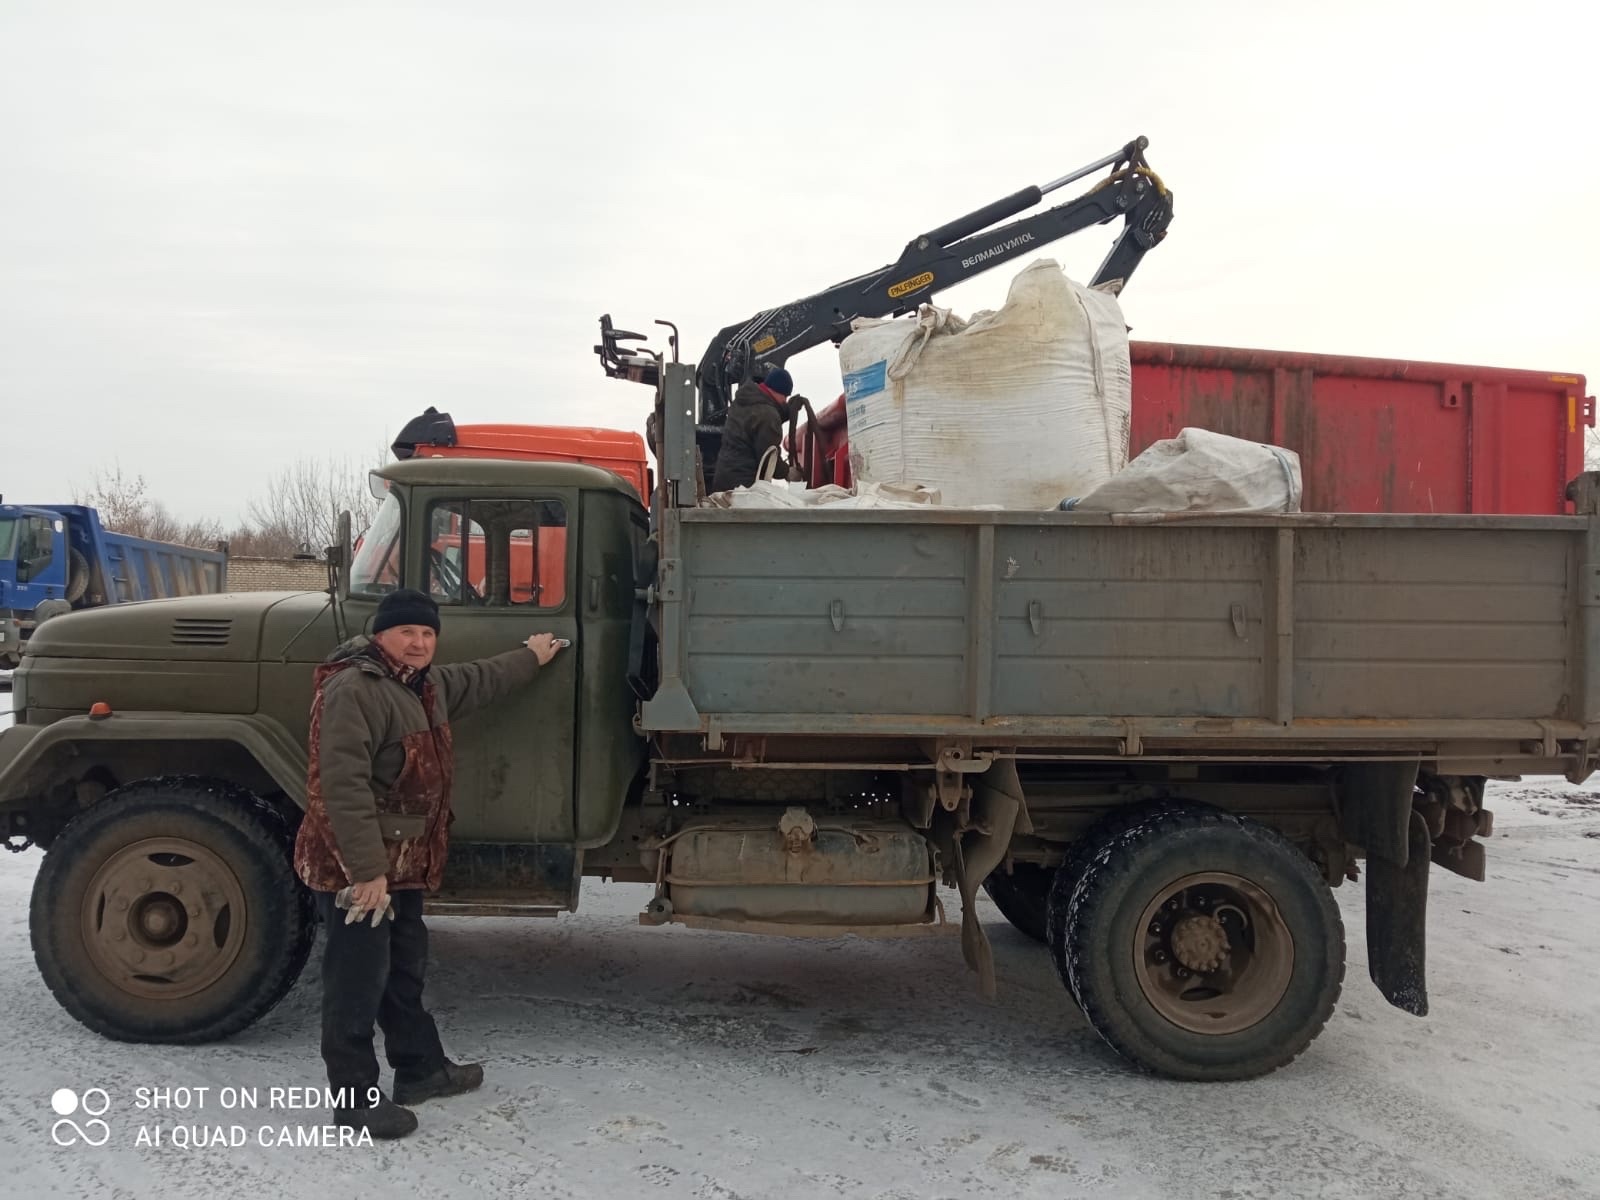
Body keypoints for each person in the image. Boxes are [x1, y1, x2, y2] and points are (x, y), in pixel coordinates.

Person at [292, 587, 563, 1139]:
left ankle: (419, 1069)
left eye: (427, 634)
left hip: (401, 864)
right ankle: (354, 1101)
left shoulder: (422, 686)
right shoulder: (355, 689)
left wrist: (532, 655)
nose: (418, 642)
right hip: (357, 870)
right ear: (380, 635)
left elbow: (481, 679)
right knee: (356, 982)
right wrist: (366, 872)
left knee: (401, 969)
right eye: (406, 632)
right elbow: (338, 786)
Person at [709, 367, 805, 492]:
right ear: (779, 391)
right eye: (785, 397)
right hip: (744, 488)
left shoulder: (743, 401)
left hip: (724, 480)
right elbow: (769, 458)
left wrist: (786, 411)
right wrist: (787, 472)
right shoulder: (768, 415)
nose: (784, 401)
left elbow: (759, 423)